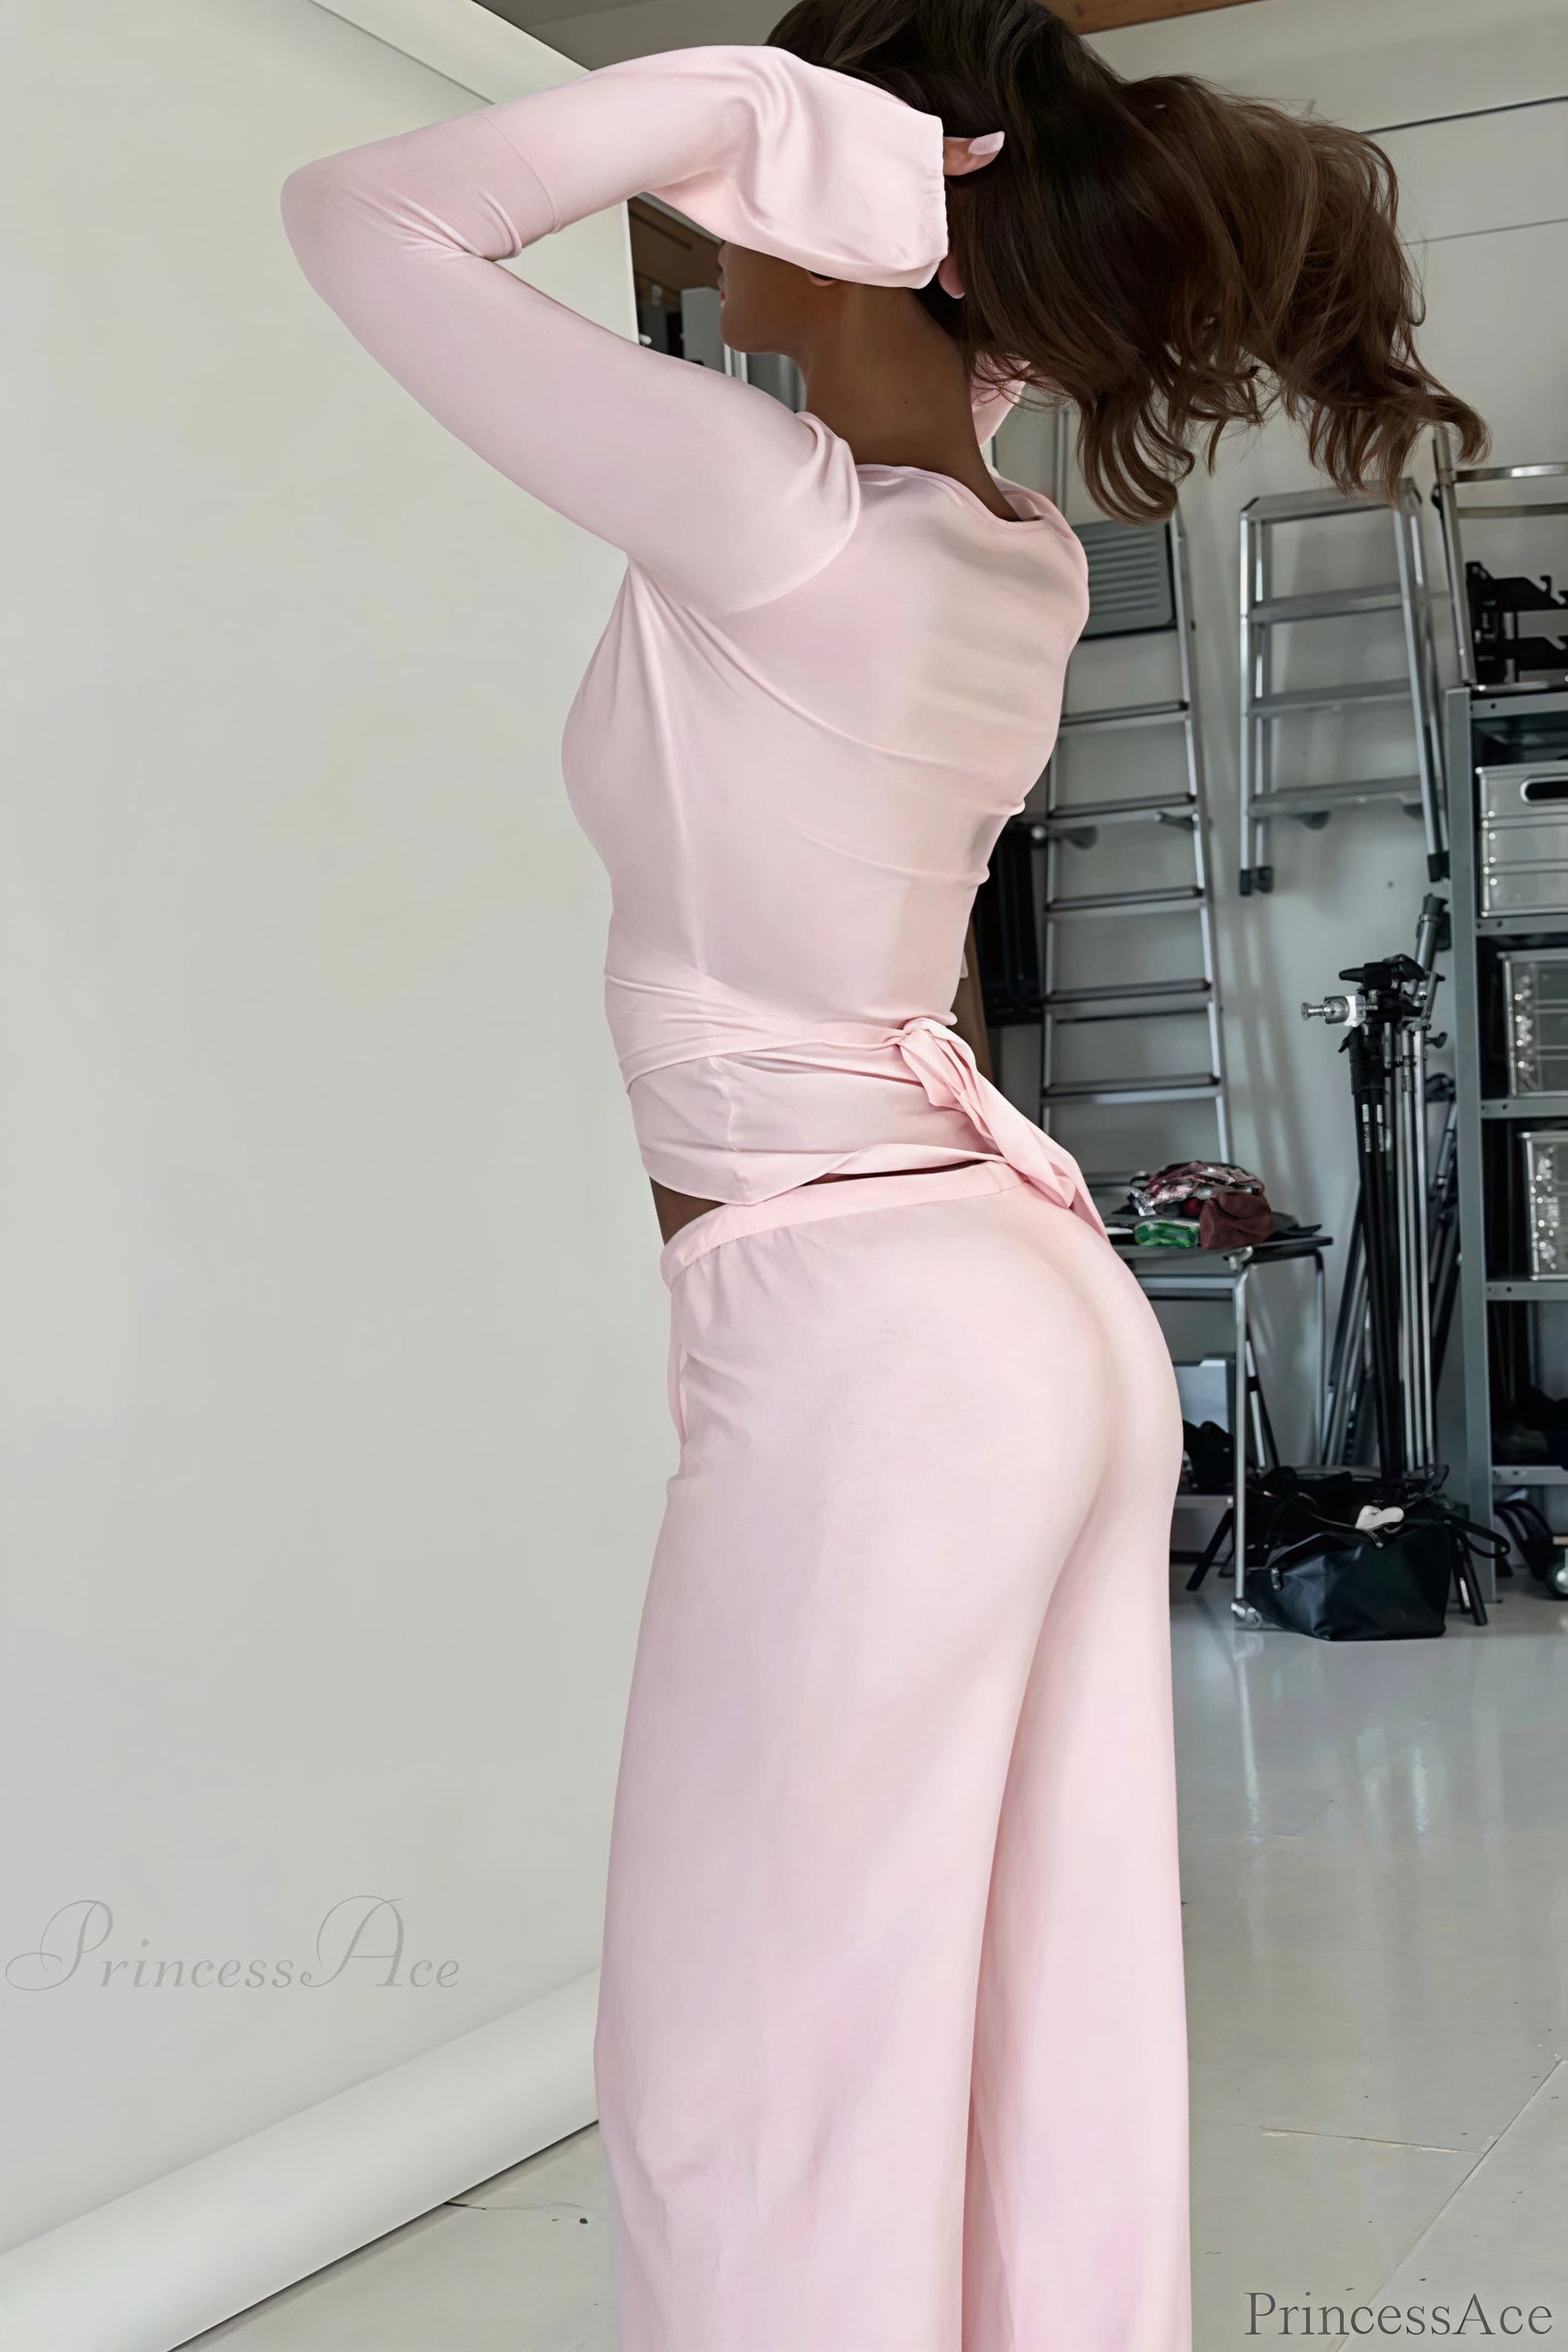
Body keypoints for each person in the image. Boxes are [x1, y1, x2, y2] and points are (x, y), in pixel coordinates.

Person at [280, 4, 1484, 2344]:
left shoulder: (780, 511)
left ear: (861, 184)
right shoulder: (1006, 543)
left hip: (876, 1355)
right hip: (1010, 1321)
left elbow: (360, 217)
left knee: (747, 2072)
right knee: (1022, 2016)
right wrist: (875, 179)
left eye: (771, 157)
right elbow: (963, 364)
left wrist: (750, 103)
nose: (711, 209)